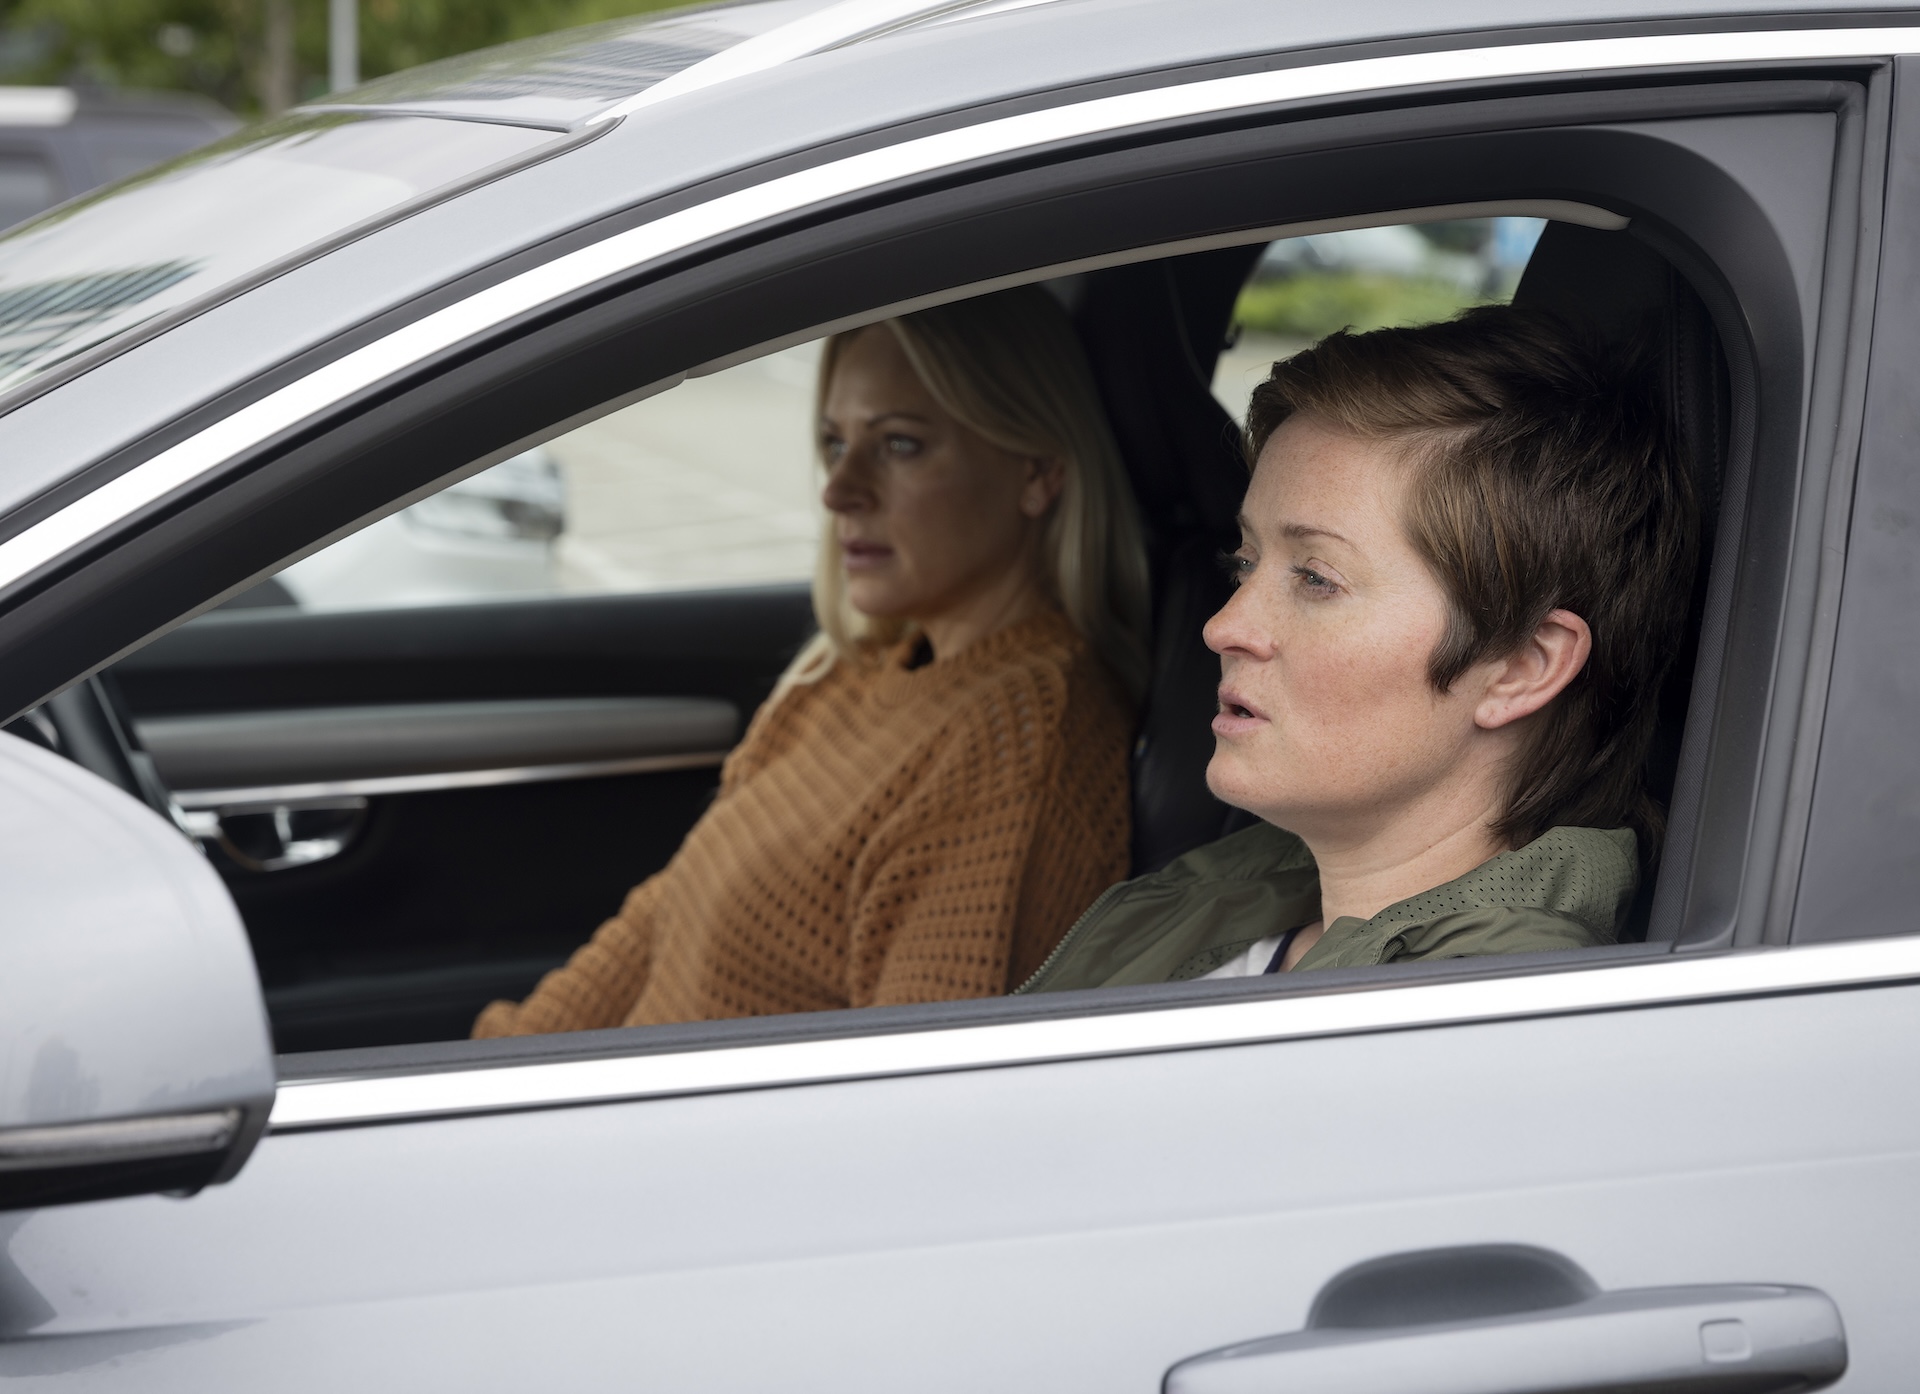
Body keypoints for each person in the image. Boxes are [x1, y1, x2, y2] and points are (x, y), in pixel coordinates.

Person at [476, 286, 1149, 1035]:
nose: (838, 490)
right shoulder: (860, 668)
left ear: (1037, 472)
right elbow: (665, 916)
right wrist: (497, 1063)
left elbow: (913, 1080)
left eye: (899, 444)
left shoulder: (1019, 744)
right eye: (835, 443)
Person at [1021, 305, 1698, 994]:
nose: (1223, 627)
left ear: (1522, 668)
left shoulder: (1492, 1015)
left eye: (1317, 578)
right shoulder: (1213, 905)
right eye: (1245, 562)